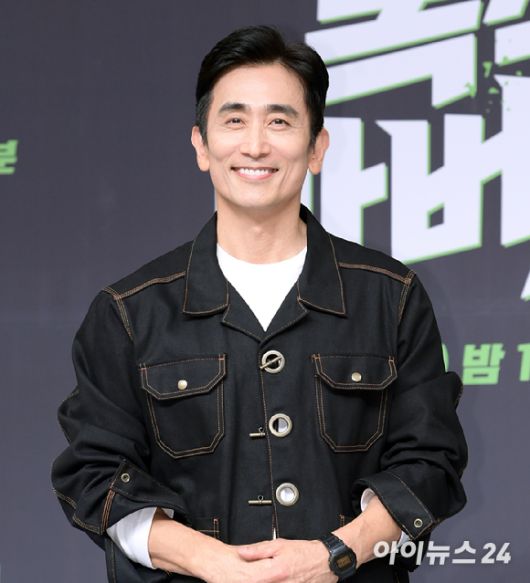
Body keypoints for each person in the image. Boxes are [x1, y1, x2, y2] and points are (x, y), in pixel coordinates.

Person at [51, 25, 467, 583]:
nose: (254, 145)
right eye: (234, 120)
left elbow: (431, 462)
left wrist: (333, 555)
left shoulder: (390, 297)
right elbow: (96, 475)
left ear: (317, 147)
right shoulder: (130, 312)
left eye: (279, 121)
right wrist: (214, 563)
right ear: (200, 145)